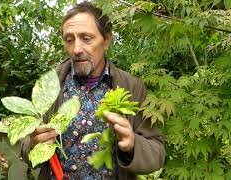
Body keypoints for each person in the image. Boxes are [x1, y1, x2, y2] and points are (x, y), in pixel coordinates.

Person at [20, 1, 165, 179]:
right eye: (69, 40)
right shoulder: (48, 85)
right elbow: (25, 146)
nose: (76, 49)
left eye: (86, 38)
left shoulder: (132, 87)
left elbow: (157, 152)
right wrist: (33, 145)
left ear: (107, 40)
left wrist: (133, 144)